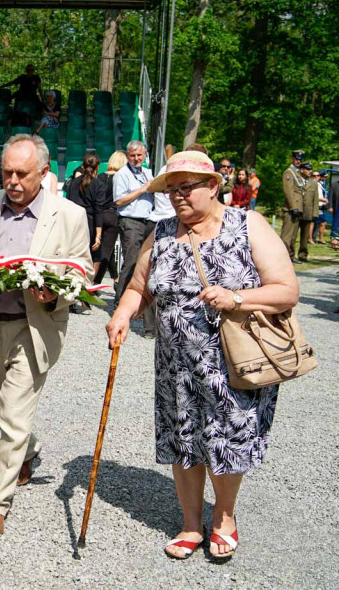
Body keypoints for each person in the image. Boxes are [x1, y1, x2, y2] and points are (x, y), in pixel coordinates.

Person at [106, 150, 298, 561]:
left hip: (233, 361)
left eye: (186, 188)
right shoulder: (162, 232)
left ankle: (224, 517)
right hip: (175, 366)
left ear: (214, 187)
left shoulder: (248, 225)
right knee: (183, 441)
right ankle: (191, 523)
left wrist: (237, 297)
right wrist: (123, 314)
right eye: (172, 190)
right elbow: (141, 287)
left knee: (227, 441)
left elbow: (286, 290)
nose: (177, 197)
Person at [0, 134, 92, 536]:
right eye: (7, 172)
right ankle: (29, 448)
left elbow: (82, 270)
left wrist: (56, 290)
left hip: (36, 326)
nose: (13, 181)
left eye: (22, 173)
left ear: (44, 173)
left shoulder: (70, 215)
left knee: (14, 412)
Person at [112, 139, 156, 338]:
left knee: (146, 265)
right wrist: (141, 190)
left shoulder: (148, 172)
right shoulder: (122, 175)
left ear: (145, 154)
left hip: (148, 221)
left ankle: (139, 309)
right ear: (127, 156)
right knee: (130, 263)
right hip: (130, 221)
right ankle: (119, 307)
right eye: (133, 155)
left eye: (139, 155)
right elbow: (119, 200)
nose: (136, 158)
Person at [93, 151, 124, 284]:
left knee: (105, 250)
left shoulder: (99, 177)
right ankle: (95, 282)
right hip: (112, 215)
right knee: (106, 251)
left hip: (98, 215)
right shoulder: (121, 178)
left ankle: (115, 278)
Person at [280, 150, 309, 262]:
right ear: (292, 159)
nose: (298, 161)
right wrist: (293, 207)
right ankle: (282, 257)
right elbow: (288, 191)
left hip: (298, 208)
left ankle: (290, 256)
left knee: (293, 236)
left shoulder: (297, 173)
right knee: (286, 236)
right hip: (291, 208)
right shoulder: (289, 172)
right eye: (296, 159)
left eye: (300, 159)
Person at [312, 169, 328, 243]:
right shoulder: (315, 184)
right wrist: (323, 200)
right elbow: (315, 195)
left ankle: (316, 238)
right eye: (324, 177)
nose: (326, 178)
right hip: (317, 205)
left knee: (319, 223)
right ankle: (313, 238)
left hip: (321, 205)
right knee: (317, 222)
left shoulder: (321, 184)